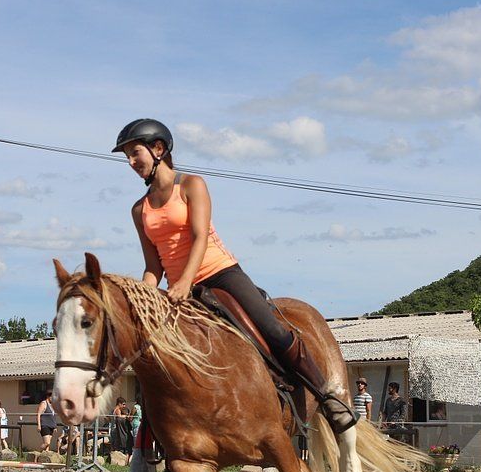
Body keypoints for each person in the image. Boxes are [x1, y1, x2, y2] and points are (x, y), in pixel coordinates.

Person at [114, 119, 354, 434]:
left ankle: (327, 397)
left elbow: (200, 237)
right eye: (127, 157)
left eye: (135, 153)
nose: (131, 162)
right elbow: (152, 266)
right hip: (180, 291)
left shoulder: (191, 185)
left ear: (158, 149)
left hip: (220, 274)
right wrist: (141, 302)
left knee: (273, 329)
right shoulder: (139, 210)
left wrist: (185, 281)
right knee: (156, 355)